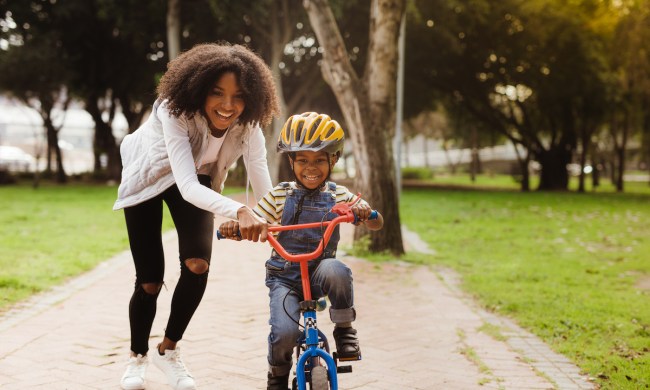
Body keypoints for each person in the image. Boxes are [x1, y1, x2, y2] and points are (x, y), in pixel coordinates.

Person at [113, 42, 280, 390]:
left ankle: (167, 350)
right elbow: (186, 185)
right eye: (217, 93)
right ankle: (137, 358)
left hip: (196, 177)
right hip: (148, 176)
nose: (228, 105)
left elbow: (260, 172)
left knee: (197, 264)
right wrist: (240, 209)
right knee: (149, 279)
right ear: (200, 90)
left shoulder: (248, 125)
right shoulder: (173, 111)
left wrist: (275, 218)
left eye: (238, 96)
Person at [218, 112, 384, 390]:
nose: (312, 167)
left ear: (333, 160)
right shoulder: (279, 195)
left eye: (320, 159)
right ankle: (278, 375)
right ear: (291, 161)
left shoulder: (338, 195)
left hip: (321, 273)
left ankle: (344, 330)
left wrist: (365, 213)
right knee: (283, 333)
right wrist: (237, 228)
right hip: (285, 277)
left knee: (338, 269)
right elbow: (256, 220)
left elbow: (377, 223)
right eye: (303, 160)